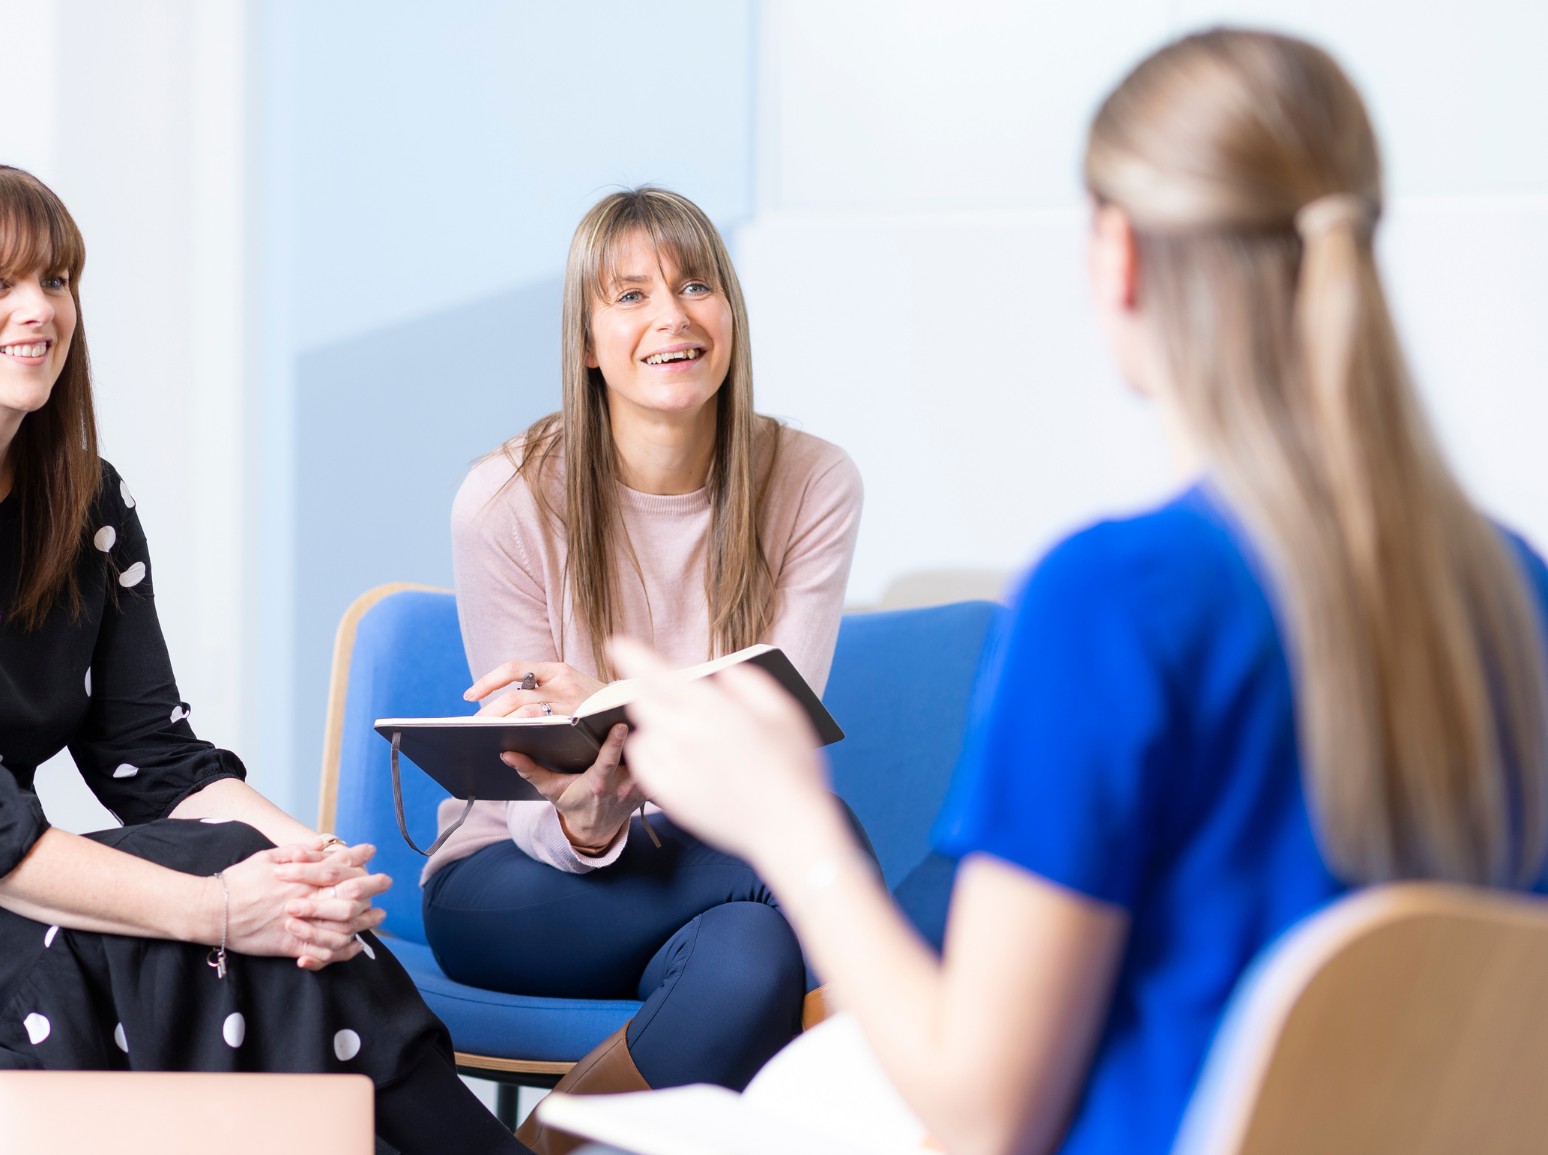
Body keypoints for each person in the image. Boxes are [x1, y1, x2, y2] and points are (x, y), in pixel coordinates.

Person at [604, 29, 1548, 1155]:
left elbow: (985, 1111)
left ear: (1118, 257)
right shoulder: (1511, 591)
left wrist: (787, 824)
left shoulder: (1114, 603)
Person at [0, 165, 527, 1155]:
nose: (38, 309)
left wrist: (301, 871)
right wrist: (218, 907)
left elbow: (154, 765)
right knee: (191, 939)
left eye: (56, 279)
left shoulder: (85, 507)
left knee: (240, 910)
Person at [415, 187, 865, 1148]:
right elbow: (531, 785)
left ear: (730, 315)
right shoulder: (505, 498)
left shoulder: (812, 483)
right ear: (586, 341)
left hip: (724, 875)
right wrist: (585, 816)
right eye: (630, 295)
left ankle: (535, 1146)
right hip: (516, 873)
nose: (672, 317)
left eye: (696, 285)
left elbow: (773, 757)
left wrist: (625, 724)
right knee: (820, 860)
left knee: (749, 956)